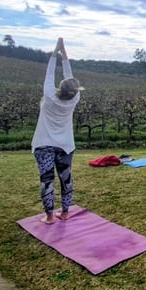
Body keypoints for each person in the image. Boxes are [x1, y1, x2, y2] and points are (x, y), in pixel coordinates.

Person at [31, 38, 82, 224]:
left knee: (47, 180)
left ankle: (50, 216)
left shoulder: (49, 95)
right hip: (66, 146)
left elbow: (50, 72)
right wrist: (64, 52)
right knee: (65, 178)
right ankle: (66, 212)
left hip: (44, 144)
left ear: (60, 87)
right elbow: (69, 75)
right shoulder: (74, 99)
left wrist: (57, 51)